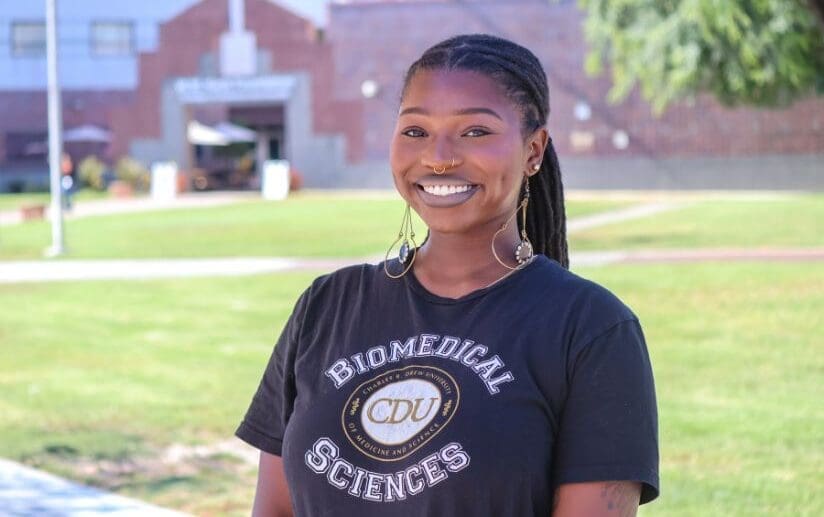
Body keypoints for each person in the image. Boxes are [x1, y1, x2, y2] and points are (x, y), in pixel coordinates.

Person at [236, 34, 659, 516]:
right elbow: (273, 509)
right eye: (415, 131)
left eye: (475, 131)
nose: (439, 157)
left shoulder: (590, 328)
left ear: (533, 150)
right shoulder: (326, 305)